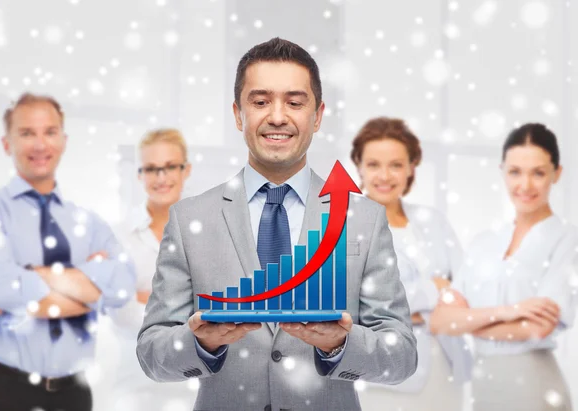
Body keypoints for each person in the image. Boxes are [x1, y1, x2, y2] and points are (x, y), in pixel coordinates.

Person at [136, 37, 418, 411]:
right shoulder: (190, 219)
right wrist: (201, 344)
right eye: (260, 101)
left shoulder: (362, 219)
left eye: (295, 102)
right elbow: (151, 353)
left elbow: (401, 357)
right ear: (238, 114)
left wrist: (341, 345)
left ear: (317, 116)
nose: (278, 116)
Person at [0, 92, 136, 411]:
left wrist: (30, 276)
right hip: (3, 390)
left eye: (49, 132)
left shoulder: (89, 223)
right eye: (27, 133)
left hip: (73, 394)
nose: (40, 145)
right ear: (7, 143)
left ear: (63, 140)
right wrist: (89, 288)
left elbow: (122, 286)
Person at [430, 123, 577, 411]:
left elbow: (538, 327)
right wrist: (509, 312)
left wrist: (469, 321)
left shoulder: (567, 239)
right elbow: (440, 321)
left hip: (537, 388)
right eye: (515, 172)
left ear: (556, 174)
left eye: (538, 172)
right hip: (484, 387)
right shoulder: (483, 243)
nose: (525, 185)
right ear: (502, 172)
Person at [350, 117, 471, 411]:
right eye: (374, 164)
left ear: (411, 168)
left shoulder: (433, 222)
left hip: (444, 367)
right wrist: (433, 292)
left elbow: (465, 290)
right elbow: (355, 304)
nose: (385, 175)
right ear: (360, 167)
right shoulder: (347, 226)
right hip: (384, 373)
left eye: (396, 164)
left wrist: (409, 307)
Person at [105, 128, 194, 410]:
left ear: (186, 170)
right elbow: (121, 311)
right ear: (139, 174)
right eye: (152, 169)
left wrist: (147, 297)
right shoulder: (118, 238)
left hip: (194, 384)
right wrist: (186, 306)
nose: (161, 178)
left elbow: (219, 306)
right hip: (133, 384)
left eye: (170, 167)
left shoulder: (208, 232)